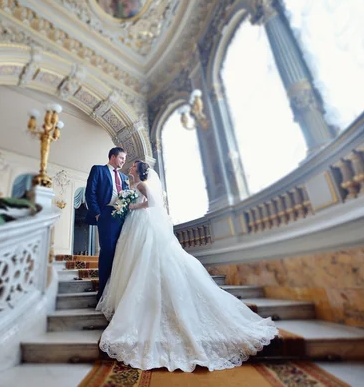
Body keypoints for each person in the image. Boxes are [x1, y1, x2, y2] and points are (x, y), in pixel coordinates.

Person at [96, 160, 278, 372]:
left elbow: (153, 203)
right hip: (132, 224)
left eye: (133, 165)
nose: (130, 167)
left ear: (139, 170)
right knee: (132, 259)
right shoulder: (131, 185)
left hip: (142, 223)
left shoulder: (143, 184)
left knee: (147, 256)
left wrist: (133, 205)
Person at [85, 147, 129, 302]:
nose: (124, 161)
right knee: (108, 251)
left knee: (121, 252)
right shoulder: (98, 170)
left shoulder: (124, 177)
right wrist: (97, 214)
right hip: (106, 215)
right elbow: (90, 192)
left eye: (124, 158)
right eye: (122, 158)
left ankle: (116, 293)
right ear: (112, 157)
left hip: (122, 218)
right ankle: (103, 293)